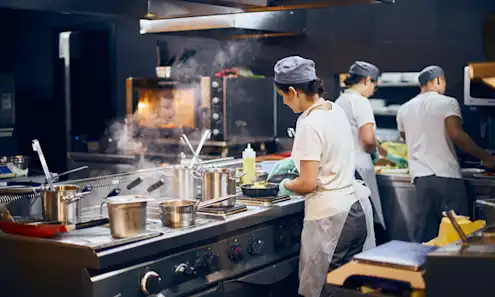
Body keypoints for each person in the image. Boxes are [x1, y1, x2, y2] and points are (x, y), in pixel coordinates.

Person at [268, 56, 375, 297]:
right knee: (347, 289)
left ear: (293, 91)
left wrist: (284, 186)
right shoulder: (333, 109)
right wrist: (296, 163)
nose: (284, 103)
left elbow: (308, 183)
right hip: (354, 210)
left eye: (283, 96)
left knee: (324, 292)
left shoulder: (308, 121)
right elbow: (329, 156)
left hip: (332, 221)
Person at [396, 65, 495, 243]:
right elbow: (456, 134)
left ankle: (422, 270)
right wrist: (486, 157)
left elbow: (405, 137)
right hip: (446, 176)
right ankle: (452, 270)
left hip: (420, 178)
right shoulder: (447, 102)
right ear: (439, 80)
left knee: (425, 236)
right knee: (455, 233)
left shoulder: (404, 109)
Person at [335, 61, 407, 234]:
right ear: (367, 80)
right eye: (374, 83)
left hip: (344, 168)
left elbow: (362, 138)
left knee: (353, 220)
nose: (375, 88)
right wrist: (374, 153)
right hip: (361, 168)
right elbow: (367, 140)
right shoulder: (361, 102)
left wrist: (387, 155)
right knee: (368, 220)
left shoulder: (339, 101)